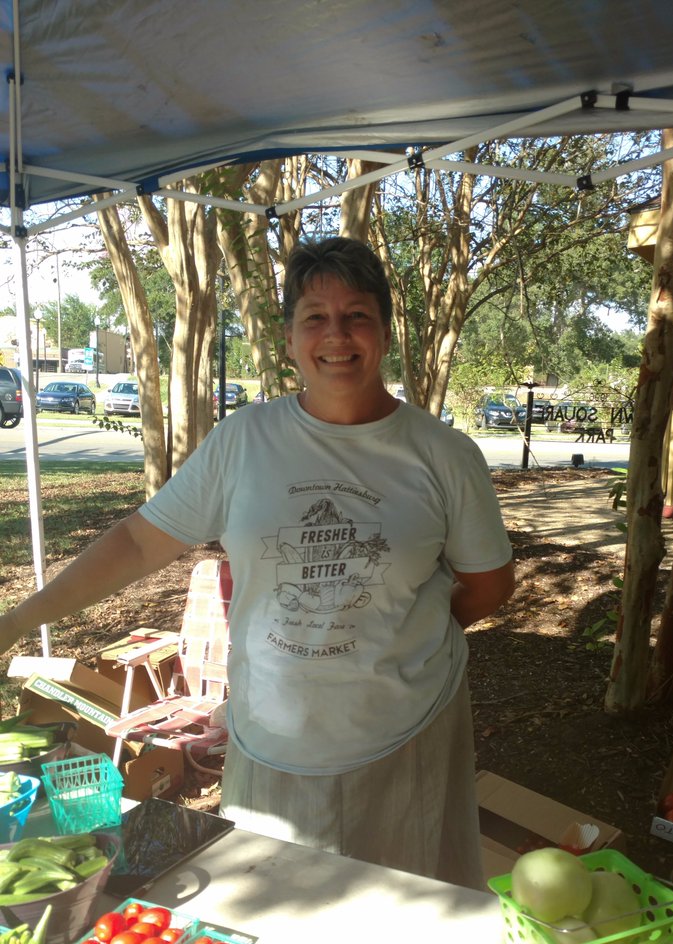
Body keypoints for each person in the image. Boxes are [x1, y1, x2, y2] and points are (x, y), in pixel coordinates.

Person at [0, 237, 514, 889]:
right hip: (271, 737)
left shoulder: (443, 454)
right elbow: (136, 543)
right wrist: (21, 618)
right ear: (289, 337)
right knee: (275, 918)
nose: (337, 335)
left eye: (357, 314)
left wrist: (392, 639)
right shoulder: (244, 441)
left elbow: (488, 584)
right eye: (315, 317)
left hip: (405, 735)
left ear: (383, 330)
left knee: (402, 919)